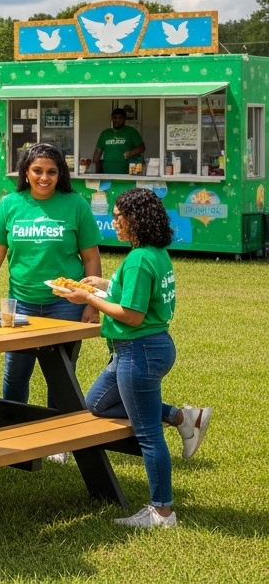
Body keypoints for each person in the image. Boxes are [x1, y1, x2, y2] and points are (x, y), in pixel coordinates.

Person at [59, 188, 211, 529]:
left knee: (147, 435)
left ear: (136, 220)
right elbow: (135, 291)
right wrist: (104, 283)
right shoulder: (153, 253)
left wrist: (88, 298)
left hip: (138, 350)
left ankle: (162, 512)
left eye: (118, 216)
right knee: (97, 402)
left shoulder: (140, 259)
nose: (114, 221)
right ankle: (181, 416)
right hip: (145, 348)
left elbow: (132, 314)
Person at [0, 143, 101, 407]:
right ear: (26, 172)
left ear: (60, 174)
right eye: (37, 171)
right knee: (16, 372)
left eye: (51, 172)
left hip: (66, 303)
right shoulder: (10, 204)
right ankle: (14, 427)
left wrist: (91, 302)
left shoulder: (76, 204)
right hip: (21, 303)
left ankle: (59, 438)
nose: (44, 178)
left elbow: (90, 256)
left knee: (61, 374)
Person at [93, 108, 145, 174]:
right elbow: (98, 153)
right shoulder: (105, 133)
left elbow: (142, 147)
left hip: (127, 172)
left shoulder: (131, 132)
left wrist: (131, 153)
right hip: (107, 172)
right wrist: (94, 172)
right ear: (112, 119)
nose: (117, 120)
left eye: (120, 118)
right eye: (115, 118)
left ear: (124, 119)